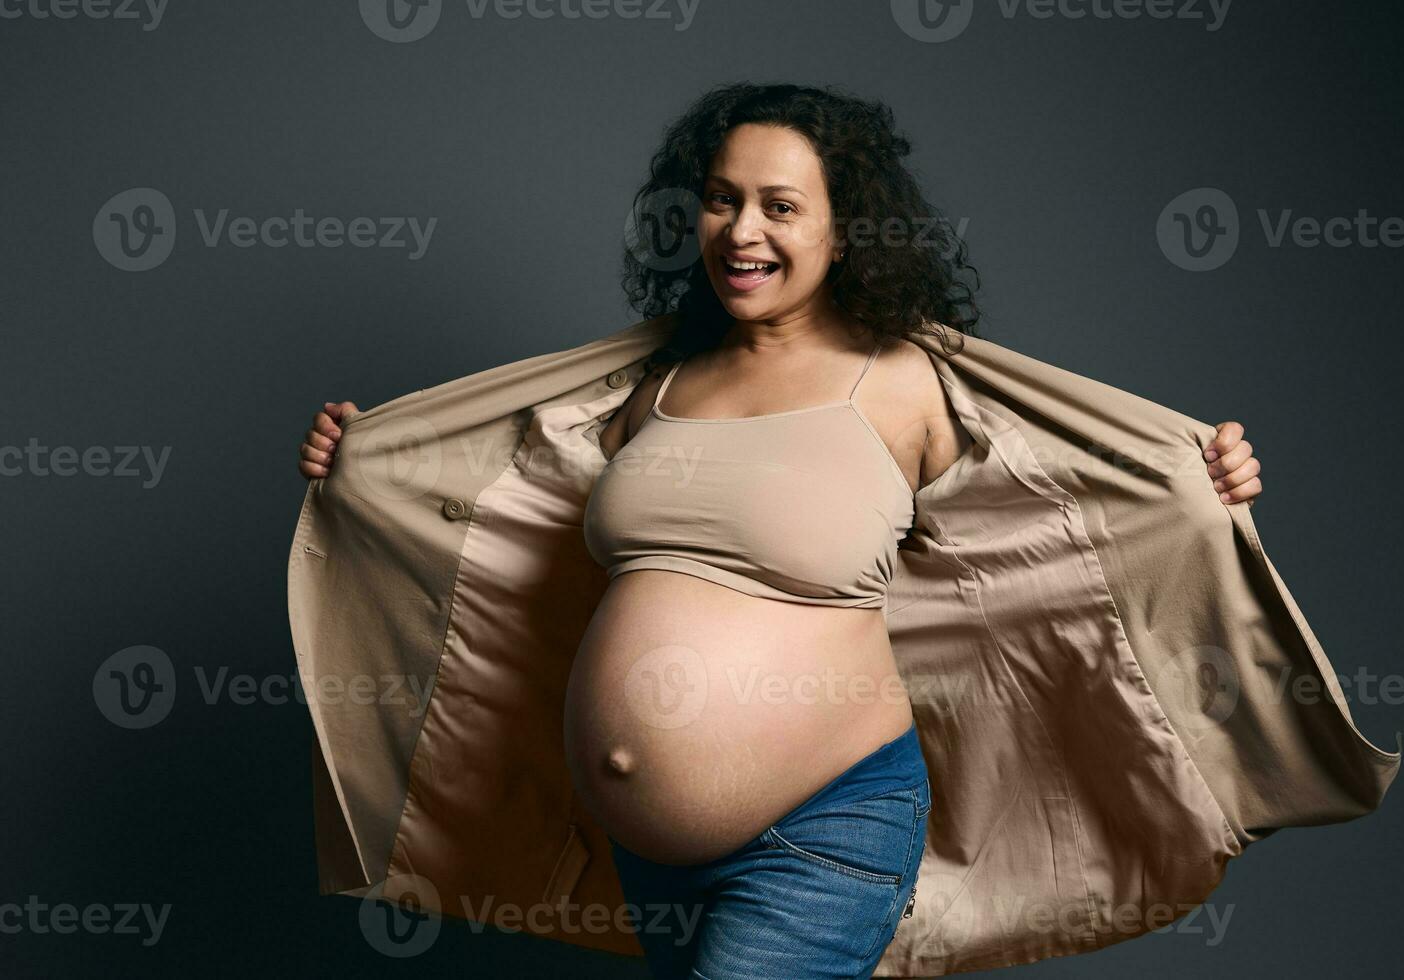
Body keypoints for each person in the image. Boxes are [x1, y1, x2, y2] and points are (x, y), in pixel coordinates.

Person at [295, 83, 1262, 978]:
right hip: (645, 856)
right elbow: (498, 515)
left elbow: (1067, 516)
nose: (741, 230)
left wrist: (1198, 480)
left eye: (780, 206)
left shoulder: (904, 384)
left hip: (822, 832)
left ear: (846, 233)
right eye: (720, 200)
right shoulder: (652, 387)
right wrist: (373, 459)